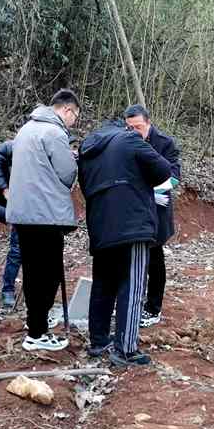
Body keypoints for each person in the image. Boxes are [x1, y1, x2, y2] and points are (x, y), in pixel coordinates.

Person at [78, 120, 171, 366]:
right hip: (132, 224)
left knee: (103, 284)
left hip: (100, 226)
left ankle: (99, 341)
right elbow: (163, 170)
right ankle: (126, 349)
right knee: (133, 285)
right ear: (123, 128)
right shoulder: (129, 139)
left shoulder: (86, 152)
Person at [6, 89, 80, 352]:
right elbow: (67, 172)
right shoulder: (54, 132)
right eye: (75, 117)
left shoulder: (26, 129)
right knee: (47, 274)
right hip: (44, 213)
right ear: (67, 110)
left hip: (25, 213)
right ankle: (37, 333)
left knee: (33, 270)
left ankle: (35, 322)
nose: (73, 123)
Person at [124, 105, 181, 328]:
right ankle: (132, 301)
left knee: (155, 260)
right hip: (133, 210)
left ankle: (153, 308)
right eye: (129, 127)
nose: (134, 132)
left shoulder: (165, 143)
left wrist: (152, 192)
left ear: (148, 123)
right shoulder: (125, 140)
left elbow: (175, 178)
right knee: (133, 259)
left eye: (138, 127)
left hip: (157, 210)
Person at [0, 140, 22, 308]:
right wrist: (4, 188)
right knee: (17, 250)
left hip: (39, 205)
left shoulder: (49, 146)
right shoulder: (11, 146)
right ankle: (8, 290)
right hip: (19, 205)